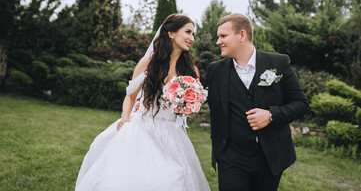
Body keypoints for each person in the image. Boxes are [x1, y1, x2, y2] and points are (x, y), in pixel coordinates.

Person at [75, 14, 210, 191]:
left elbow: (190, 108)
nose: (192, 38)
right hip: (144, 127)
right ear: (171, 33)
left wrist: (188, 105)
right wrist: (125, 118)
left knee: (174, 180)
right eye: (188, 32)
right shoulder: (148, 63)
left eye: (193, 34)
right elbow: (130, 96)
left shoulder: (191, 71)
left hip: (173, 134)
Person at [206, 13, 308, 191]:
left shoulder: (279, 62)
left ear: (242, 35)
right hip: (231, 158)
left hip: (270, 157)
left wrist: (271, 115)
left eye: (223, 36)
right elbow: (196, 96)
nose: (218, 42)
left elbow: (300, 103)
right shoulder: (215, 70)